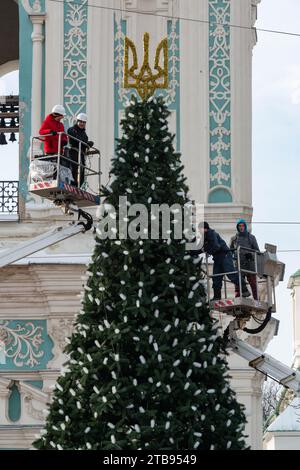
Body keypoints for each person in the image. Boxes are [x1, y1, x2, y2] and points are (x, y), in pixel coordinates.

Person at [192, 222, 250, 300]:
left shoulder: (211, 234)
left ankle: (244, 289)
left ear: (204, 229)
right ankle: (217, 296)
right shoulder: (205, 237)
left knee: (231, 274)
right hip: (217, 258)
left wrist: (206, 249)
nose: (199, 231)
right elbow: (201, 248)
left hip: (225, 255)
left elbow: (216, 246)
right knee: (216, 277)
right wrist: (191, 252)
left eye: (199, 229)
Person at [230, 219, 260, 300]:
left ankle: (256, 298)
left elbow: (257, 251)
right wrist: (232, 260)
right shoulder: (234, 238)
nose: (241, 227)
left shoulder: (251, 237)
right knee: (238, 282)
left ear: (245, 226)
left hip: (249, 263)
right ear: (237, 227)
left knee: (253, 283)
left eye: (243, 226)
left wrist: (251, 254)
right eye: (239, 226)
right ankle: (238, 298)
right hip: (239, 263)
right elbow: (230, 251)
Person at [67, 113, 94, 187]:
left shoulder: (84, 134)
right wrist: (86, 143)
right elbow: (77, 140)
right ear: (77, 121)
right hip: (73, 153)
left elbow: (83, 141)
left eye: (84, 122)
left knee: (82, 171)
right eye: (80, 121)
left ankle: (78, 185)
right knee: (74, 169)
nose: (82, 123)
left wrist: (87, 143)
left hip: (81, 154)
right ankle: (73, 184)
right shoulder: (71, 130)